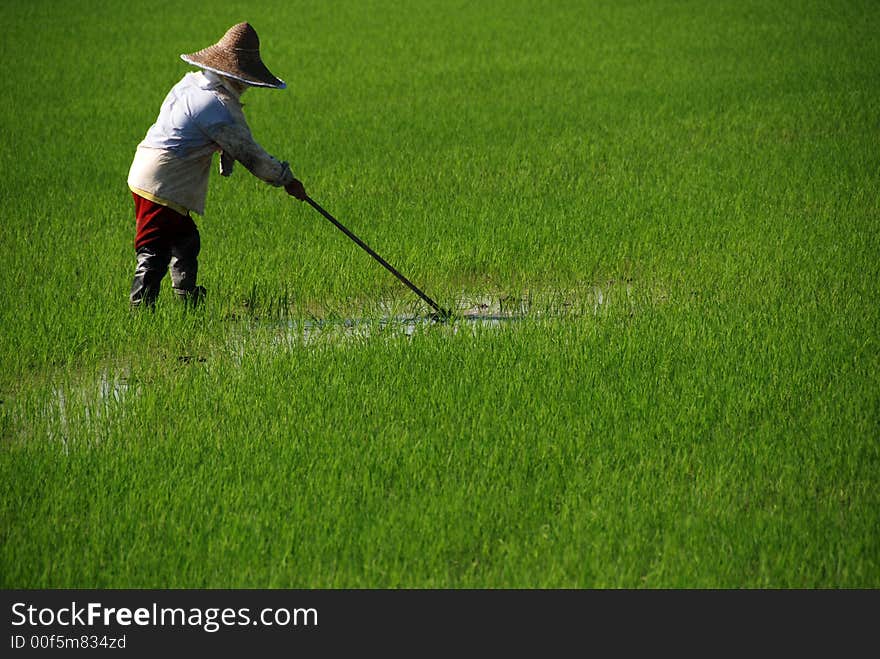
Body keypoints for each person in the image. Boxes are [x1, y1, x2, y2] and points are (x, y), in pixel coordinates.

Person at [127, 22, 307, 308]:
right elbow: (253, 156)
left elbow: (209, 134)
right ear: (236, 75)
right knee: (155, 249)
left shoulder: (191, 83)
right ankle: (140, 311)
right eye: (245, 79)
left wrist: (226, 154)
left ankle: (188, 301)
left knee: (185, 240)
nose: (246, 85)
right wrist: (286, 180)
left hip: (149, 170)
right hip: (162, 180)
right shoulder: (218, 106)